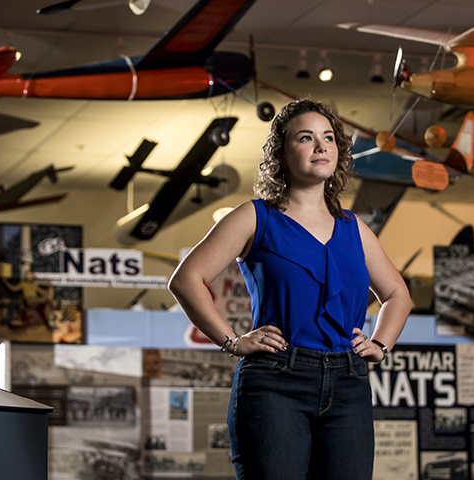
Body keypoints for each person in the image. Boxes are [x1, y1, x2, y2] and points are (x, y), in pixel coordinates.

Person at [168, 99, 411, 479]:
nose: (321, 146)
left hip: (349, 385)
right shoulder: (254, 217)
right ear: (281, 153)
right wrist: (232, 341)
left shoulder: (355, 228)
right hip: (274, 383)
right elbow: (186, 280)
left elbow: (398, 295)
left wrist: (380, 344)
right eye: (306, 137)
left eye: (329, 138)